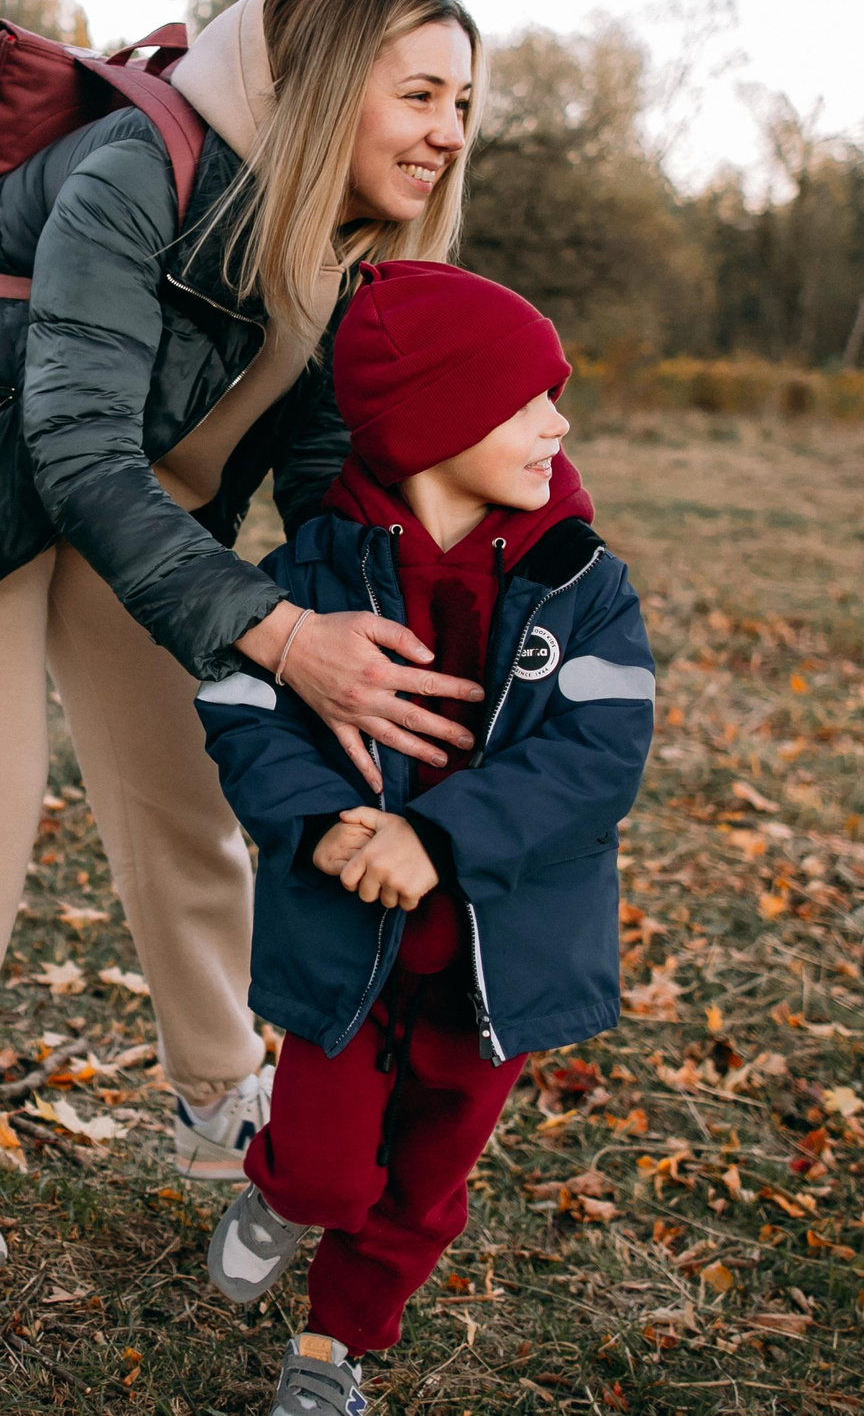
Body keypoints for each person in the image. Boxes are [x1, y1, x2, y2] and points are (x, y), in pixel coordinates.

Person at [0, 0, 495, 1276]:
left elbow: (321, 473)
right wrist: (283, 636)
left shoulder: (343, 241)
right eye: (420, 93)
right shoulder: (140, 168)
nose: (449, 130)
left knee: (187, 790)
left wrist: (401, 619)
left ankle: (215, 1092)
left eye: (463, 100)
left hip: (133, 498)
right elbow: (76, 449)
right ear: (325, 84)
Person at [192, 261, 655, 1414]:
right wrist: (323, 817)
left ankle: (329, 1352)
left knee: (421, 1186)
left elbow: (598, 757)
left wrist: (437, 840)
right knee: (325, 1160)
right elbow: (243, 709)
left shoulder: (579, 582)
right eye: (529, 399)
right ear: (434, 420)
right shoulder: (312, 572)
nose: (559, 421)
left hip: (502, 955)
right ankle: (282, 1192)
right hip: (348, 937)